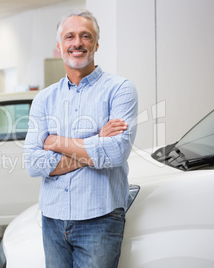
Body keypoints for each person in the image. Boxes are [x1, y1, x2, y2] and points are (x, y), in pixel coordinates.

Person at [24, 9, 138, 268]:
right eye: (70, 36)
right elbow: (33, 162)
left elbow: (116, 153)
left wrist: (53, 142)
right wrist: (96, 141)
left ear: (96, 43)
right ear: (59, 45)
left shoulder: (120, 89)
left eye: (85, 36)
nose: (77, 43)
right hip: (52, 219)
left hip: (100, 219)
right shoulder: (44, 99)